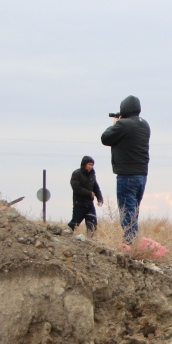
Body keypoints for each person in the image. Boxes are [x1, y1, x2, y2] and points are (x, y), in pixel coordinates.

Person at [101, 95, 150, 243]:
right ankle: (132, 241)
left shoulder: (123, 125)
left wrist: (116, 123)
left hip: (127, 175)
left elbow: (105, 138)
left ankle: (132, 244)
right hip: (141, 174)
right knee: (133, 211)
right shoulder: (145, 125)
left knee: (127, 213)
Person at [68, 155, 104, 235]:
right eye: (89, 164)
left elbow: (96, 188)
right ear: (84, 164)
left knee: (92, 226)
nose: (91, 167)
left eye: (92, 165)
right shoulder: (76, 173)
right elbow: (76, 187)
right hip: (79, 204)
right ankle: (65, 236)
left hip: (89, 205)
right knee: (74, 224)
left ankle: (92, 242)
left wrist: (100, 198)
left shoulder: (92, 175)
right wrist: (89, 193)